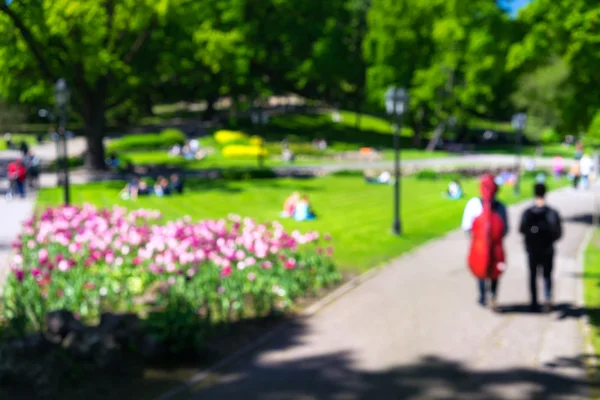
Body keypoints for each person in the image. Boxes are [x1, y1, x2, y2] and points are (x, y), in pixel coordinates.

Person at [461, 174, 509, 311]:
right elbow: (505, 229)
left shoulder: (474, 205)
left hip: (480, 245)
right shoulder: (500, 207)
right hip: (494, 245)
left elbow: (467, 227)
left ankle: (483, 296)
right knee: (493, 268)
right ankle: (491, 294)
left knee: (481, 268)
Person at [519, 182, 562, 312]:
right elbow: (558, 232)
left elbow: (521, 229)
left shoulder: (527, 213)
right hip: (547, 249)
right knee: (547, 275)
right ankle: (547, 298)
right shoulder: (552, 213)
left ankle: (534, 301)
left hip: (532, 249)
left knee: (532, 275)